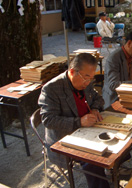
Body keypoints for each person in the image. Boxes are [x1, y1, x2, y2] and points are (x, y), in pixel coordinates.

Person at [38, 53, 110, 188]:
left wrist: (94, 109)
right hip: (64, 138)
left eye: (91, 78)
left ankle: (114, 171)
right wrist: (79, 122)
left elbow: (98, 98)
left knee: (117, 141)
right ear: (72, 72)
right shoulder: (51, 89)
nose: (88, 82)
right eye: (86, 78)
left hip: (88, 129)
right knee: (92, 160)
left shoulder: (85, 81)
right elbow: (48, 120)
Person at [102, 30, 132, 109]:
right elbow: (113, 85)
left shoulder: (131, 57)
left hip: (128, 96)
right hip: (114, 100)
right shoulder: (114, 58)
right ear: (129, 43)